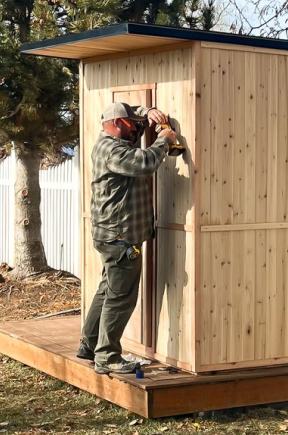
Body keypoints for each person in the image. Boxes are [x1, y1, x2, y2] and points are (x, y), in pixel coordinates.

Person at [78, 102, 181, 374]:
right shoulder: (112, 149)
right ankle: (107, 357)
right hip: (120, 237)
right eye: (130, 126)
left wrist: (148, 112)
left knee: (108, 289)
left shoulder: (115, 140)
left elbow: (130, 114)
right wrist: (164, 140)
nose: (135, 130)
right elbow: (145, 163)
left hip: (113, 234)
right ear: (115, 125)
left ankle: (89, 345)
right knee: (121, 297)